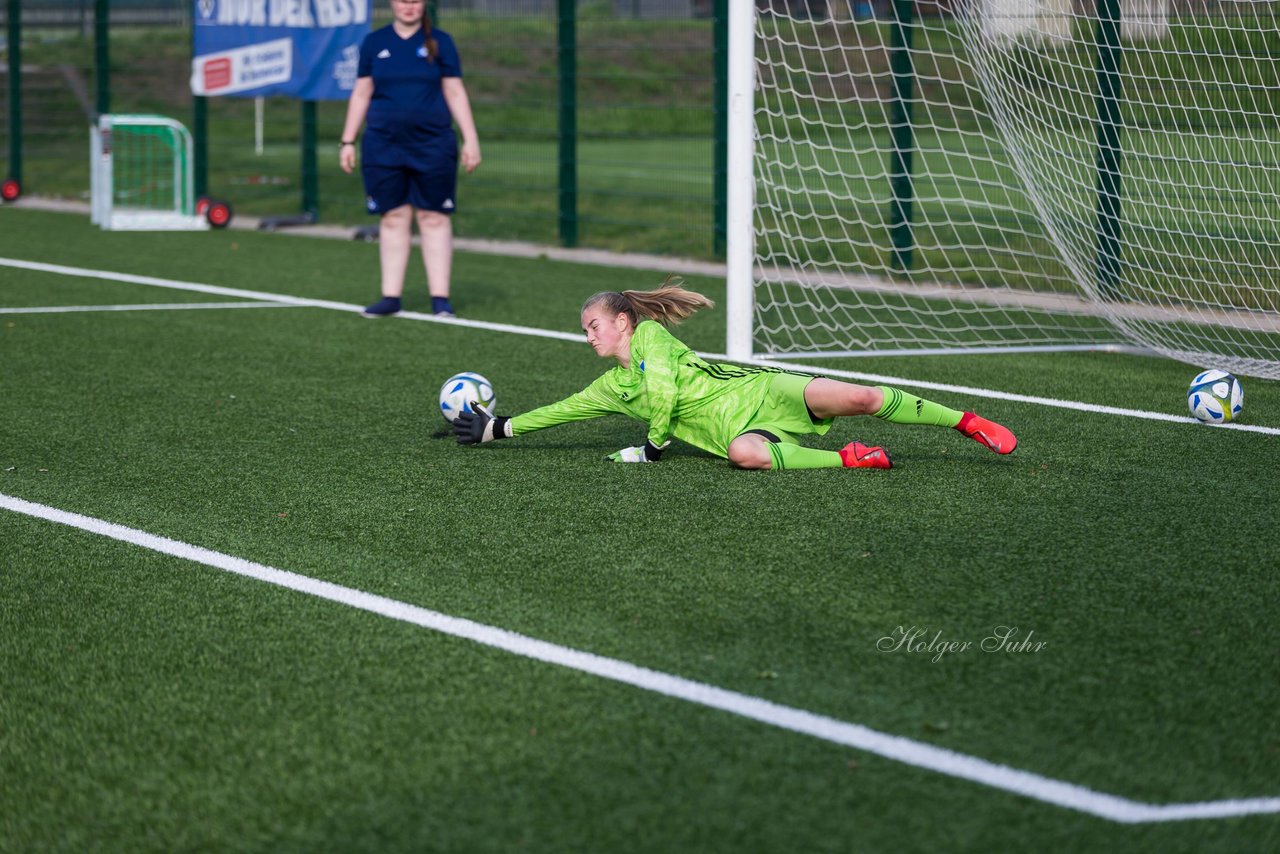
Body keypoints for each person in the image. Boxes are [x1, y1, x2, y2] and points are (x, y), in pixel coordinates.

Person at [452, 281, 1017, 470]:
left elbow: (667, 391)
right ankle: (851, 458)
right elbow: (564, 410)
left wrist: (651, 446)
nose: (589, 335)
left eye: (594, 325)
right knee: (745, 457)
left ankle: (966, 422)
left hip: (761, 389)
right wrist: (498, 428)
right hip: (737, 430)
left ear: (623, 321)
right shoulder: (610, 388)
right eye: (585, 330)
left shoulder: (651, 338)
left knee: (864, 396)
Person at [339, 0, 481, 318]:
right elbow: (361, 93)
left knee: (434, 217)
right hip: (383, 146)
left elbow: (455, 92)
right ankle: (391, 297)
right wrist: (347, 141)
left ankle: (440, 300)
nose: (409, 6)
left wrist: (470, 138)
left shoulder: (441, 41)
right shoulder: (375, 42)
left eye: (415, 1)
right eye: (403, 0)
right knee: (393, 217)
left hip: (433, 145)